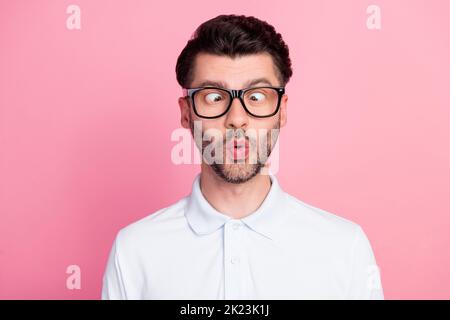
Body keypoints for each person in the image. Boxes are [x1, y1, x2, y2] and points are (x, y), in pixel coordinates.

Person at [102, 14, 384, 300]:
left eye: (257, 97)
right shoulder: (134, 250)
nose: (237, 119)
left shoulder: (344, 248)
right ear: (186, 113)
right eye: (213, 97)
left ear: (282, 110)